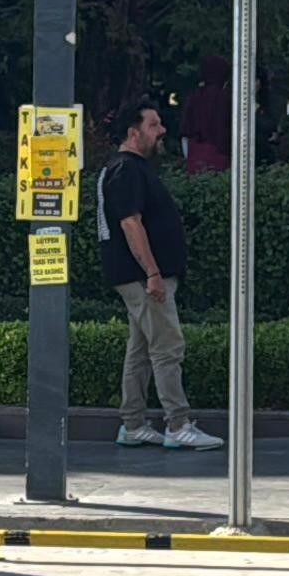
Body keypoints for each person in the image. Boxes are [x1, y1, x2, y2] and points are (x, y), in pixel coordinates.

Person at [99, 102, 219, 451]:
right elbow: (130, 223)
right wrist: (152, 272)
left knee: (140, 350)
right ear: (133, 133)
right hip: (144, 276)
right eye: (154, 125)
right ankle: (178, 424)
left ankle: (133, 423)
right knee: (168, 346)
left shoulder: (121, 168)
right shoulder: (126, 170)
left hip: (138, 275)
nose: (162, 130)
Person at [179, 53, 233, 174]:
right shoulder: (225, 99)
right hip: (221, 157)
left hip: (196, 156)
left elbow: (185, 132)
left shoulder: (195, 97)